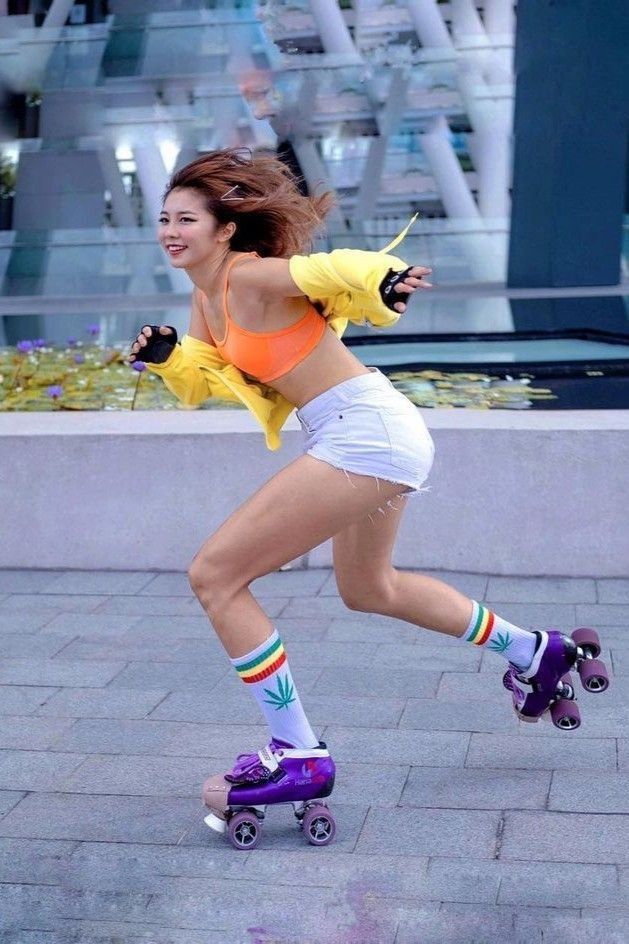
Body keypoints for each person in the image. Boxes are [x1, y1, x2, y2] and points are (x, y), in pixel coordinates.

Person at [128, 147, 607, 847]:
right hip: (368, 429)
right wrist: (171, 355)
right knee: (368, 587)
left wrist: (381, 280)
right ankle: (535, 652)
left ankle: (297, 751)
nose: (171, 230)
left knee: (216, 574)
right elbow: (204, 381)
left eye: (186, 219)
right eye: (164, 218)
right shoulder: (204, 299)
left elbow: (325, 271)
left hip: (364, 434)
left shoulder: (250, 274)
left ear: (225, 229)